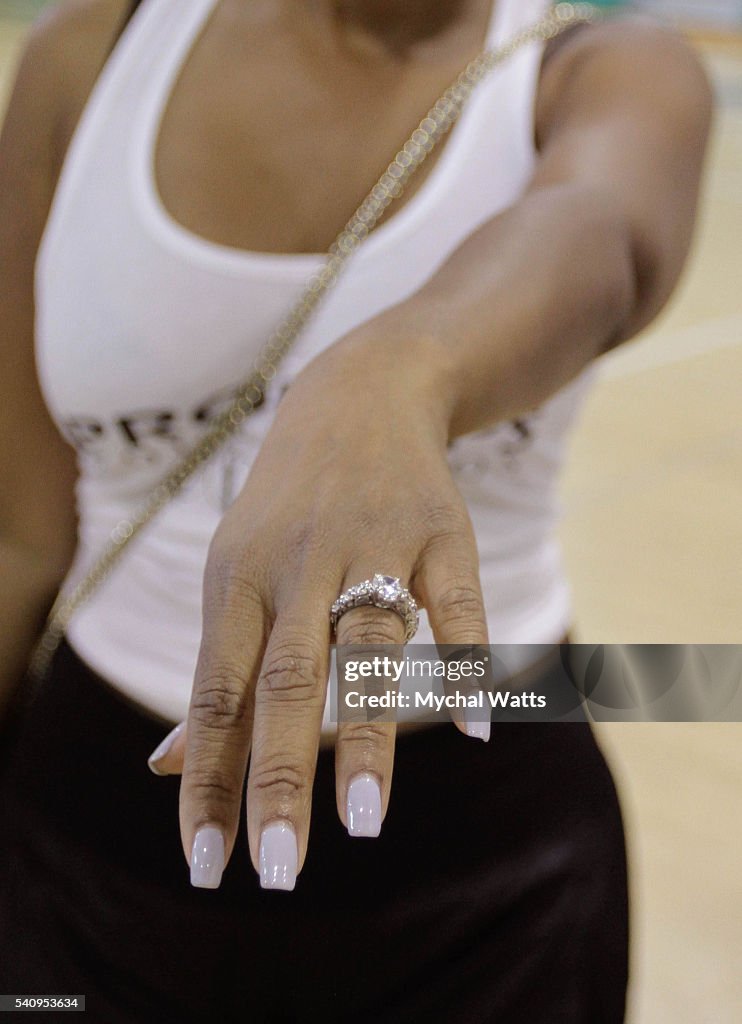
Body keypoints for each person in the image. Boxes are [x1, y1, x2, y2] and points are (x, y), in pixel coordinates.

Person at [0, 0, 712, 1020]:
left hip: (486, 848)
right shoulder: (96, 51)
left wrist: (399, 369)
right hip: (96, 824)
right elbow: (20, 532)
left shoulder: (598, 67)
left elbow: (597, 229)